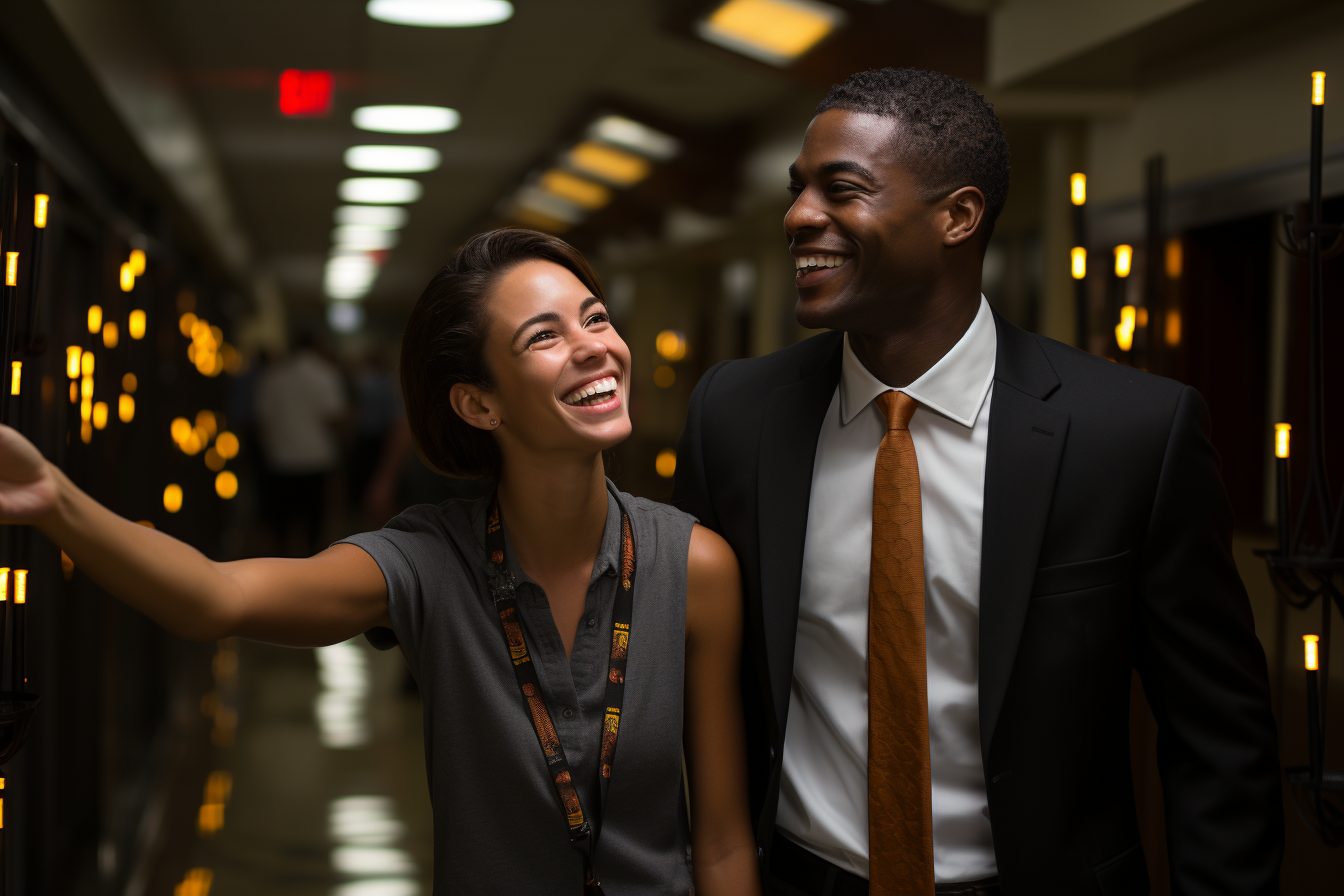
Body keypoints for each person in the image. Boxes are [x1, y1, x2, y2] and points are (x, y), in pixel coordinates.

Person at [0, 229, 760, 895]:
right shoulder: (427, 562)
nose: (596, 344)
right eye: (544, 336)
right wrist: (53, 499)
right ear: (478, 404)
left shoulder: (693, 566)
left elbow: (721, 840)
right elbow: (216, 597)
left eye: (595, 318)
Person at [672, 68, 1282, 896]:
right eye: (798, 189)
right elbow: (698, 692)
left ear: (958, 216)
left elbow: (1218, 737)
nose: (799, 216)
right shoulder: (735, 418)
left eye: (840, 189)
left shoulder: (1133, 435)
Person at [254, 330, 350, 555]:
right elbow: (335, 418)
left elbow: (262, 421)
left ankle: (281, 565)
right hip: (317, 456)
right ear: (316, 348)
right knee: (313, 517)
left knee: (282, 518)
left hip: (281, 457)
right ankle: (312, 563)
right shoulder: (326, 374)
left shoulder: (273, 376)